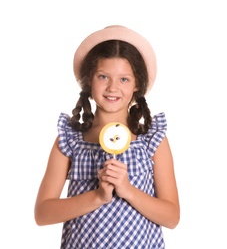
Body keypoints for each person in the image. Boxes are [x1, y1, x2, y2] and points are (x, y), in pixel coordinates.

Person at [34, 25, 180, 248]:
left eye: (124, 79)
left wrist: (128, 190)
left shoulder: (151, 141)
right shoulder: (70, 141)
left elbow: (171, 217)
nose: (113, 88)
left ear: (136, 85)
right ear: (88, 81)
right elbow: (43, 213)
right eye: (103, 76)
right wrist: (98, 196)